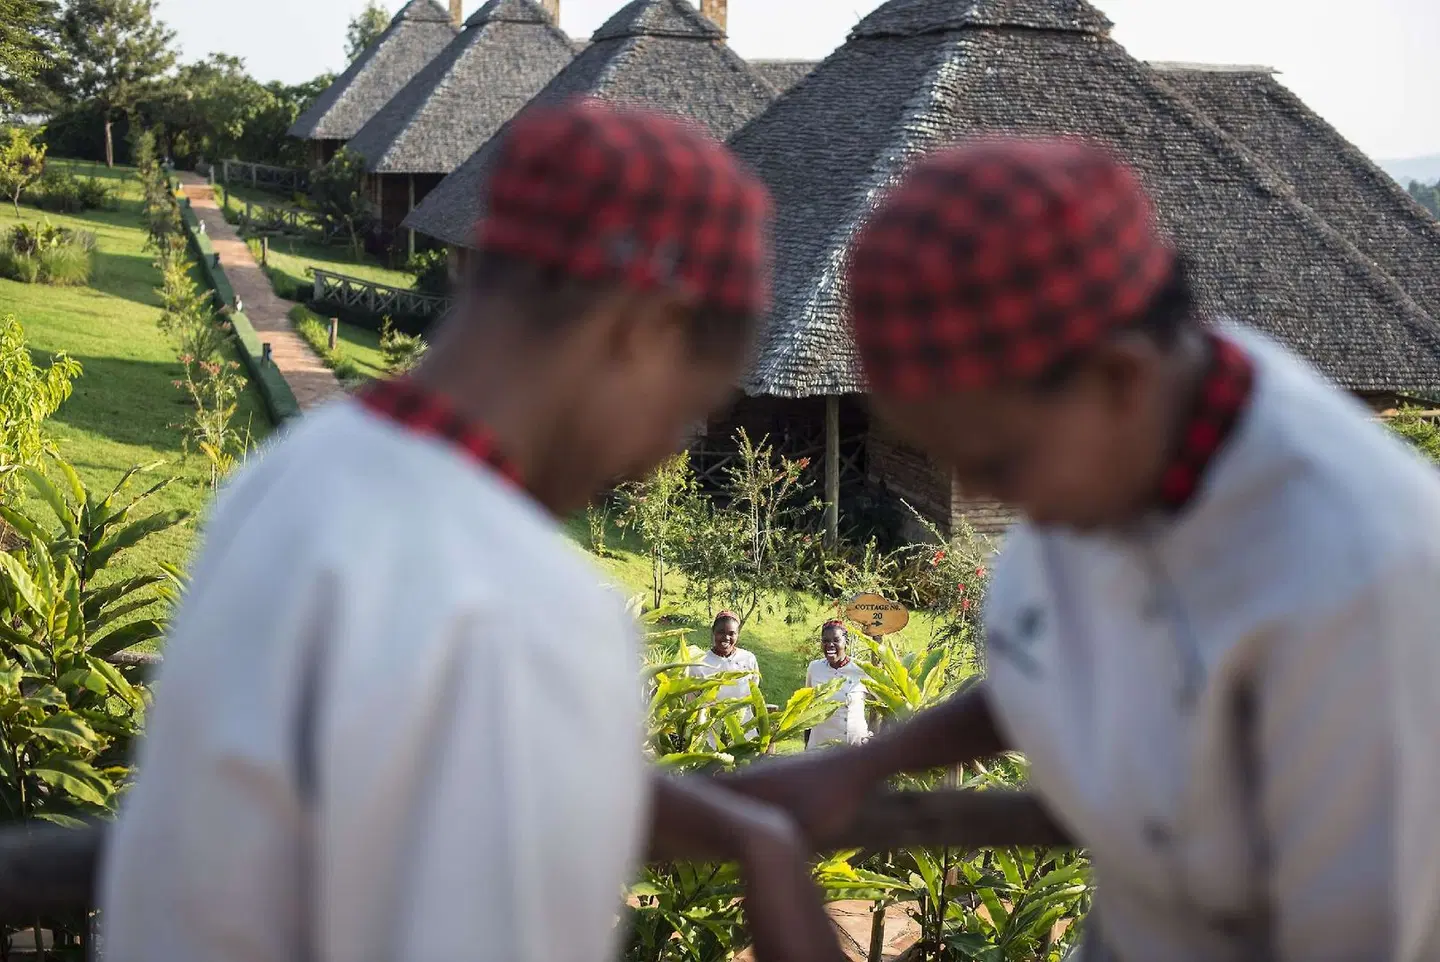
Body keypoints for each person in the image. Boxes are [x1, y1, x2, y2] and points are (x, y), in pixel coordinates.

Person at [99, 99, 846, 962]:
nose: (658, 458)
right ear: (644, 331)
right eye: (689, 407)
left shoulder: (298, 471)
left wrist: (729, 824)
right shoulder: (527, 608)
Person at [727, 138, 1440, 961]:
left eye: (1000, 462)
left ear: (1121, 377)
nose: (992, 497)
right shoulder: (1121, 450)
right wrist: (867, 764)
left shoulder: (1367, 587)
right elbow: (1064, 659)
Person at [692, 611, 762, 738]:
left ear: (738, 634)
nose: (726, 638)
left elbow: (753, 694)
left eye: (732, 633)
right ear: (713, 631)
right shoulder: (700, 663)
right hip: (711, 737)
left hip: (745, 733)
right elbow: (692, 704)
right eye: (721, 632)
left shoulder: (748, 659)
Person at [804, 620, 869, 750]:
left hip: (853, 747)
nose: (830, 645)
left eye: (836, 640)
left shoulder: (862, 669)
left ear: (846, 642)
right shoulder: (814, 667)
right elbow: (806, 706)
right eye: (825, 641)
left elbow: (882, 703)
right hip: (819, 747)